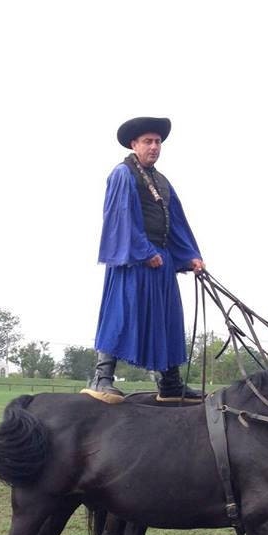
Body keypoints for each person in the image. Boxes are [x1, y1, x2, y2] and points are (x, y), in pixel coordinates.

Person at [84, 116, 205, 403]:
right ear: (134, 144)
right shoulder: (123, 173)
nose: (154, 146)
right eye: (148, 141)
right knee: (121, 313)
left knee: (168, 319)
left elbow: (175, 222)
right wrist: (143, 251)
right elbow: (119, 217)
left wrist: (190, 256)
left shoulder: (162, 182)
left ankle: (170, 384)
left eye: (158, 142)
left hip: (160, 261)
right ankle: (102, 378)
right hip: (133, 259)